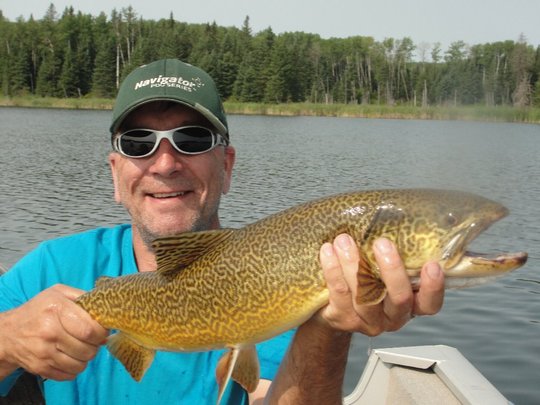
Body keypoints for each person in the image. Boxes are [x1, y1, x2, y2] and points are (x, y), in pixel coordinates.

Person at [0, 59, 445, 404]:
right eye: (139, 144)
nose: (165, 163)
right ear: (116, 174)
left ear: (227, 166)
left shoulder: (279, 282)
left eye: (191, 139)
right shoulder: (49, 269)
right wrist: (7, 342)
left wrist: (329, 331)